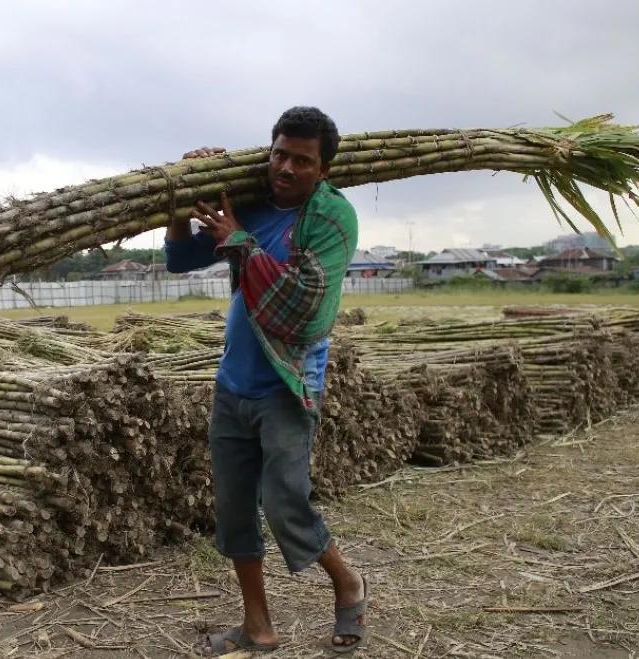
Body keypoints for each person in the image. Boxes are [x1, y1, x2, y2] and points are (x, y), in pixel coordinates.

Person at [164, 106, 367, 655]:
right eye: (280, 153)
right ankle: (258, 626)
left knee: (285, 504)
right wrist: (185, 200)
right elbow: (181, 259)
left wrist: (239, 240)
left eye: (303, 160)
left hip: (287, 383)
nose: (286, 167)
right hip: (234, 381)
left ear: (323, 169)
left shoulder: (330, 220)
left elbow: (306, 309)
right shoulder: (250, 203)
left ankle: (346, 581)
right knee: (232, 508)